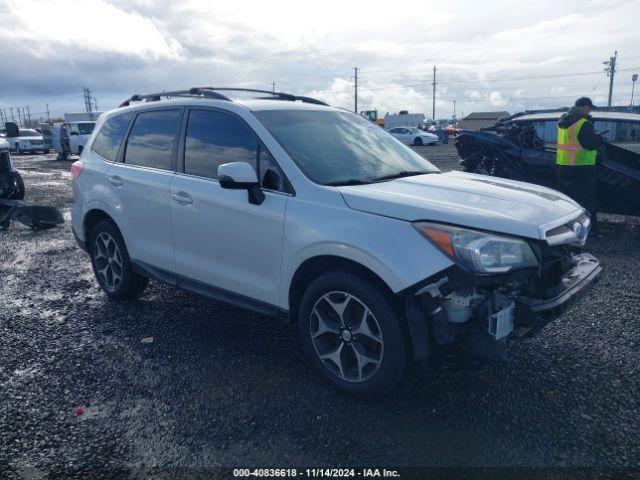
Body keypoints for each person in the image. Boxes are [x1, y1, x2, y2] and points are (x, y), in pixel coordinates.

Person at [556, 97, 602, 234]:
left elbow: (571, 141)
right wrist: (598, 137)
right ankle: (590, 230)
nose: (590, 111)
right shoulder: (583, 123)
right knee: (586, 200)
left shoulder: (562, 121)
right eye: (589, 108)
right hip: (582, 167)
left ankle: (564, 228)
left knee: (566, 200)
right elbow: (591, 144)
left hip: (563, 166)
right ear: (584, 107)